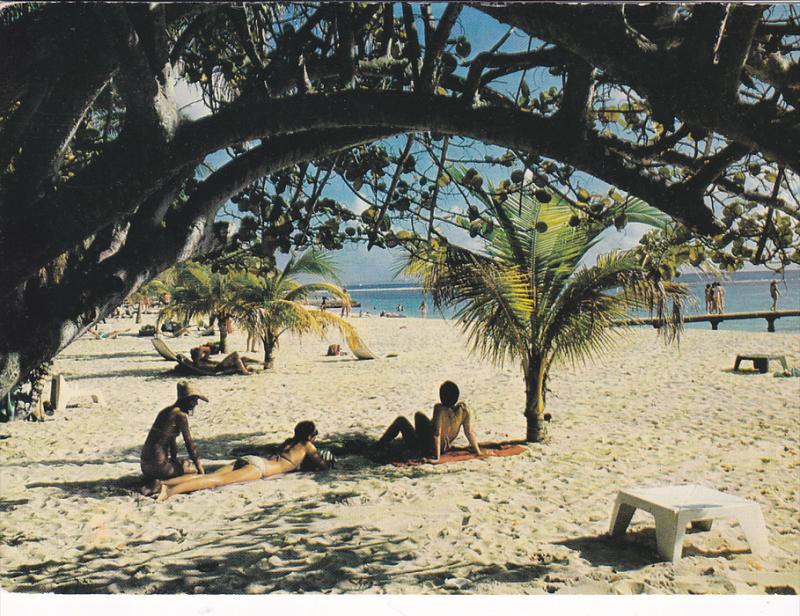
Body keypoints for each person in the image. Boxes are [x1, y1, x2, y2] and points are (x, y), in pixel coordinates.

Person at [152, 421, 331, 501]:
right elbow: (322, 466)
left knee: (212, 475)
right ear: (309, 436)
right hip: (259, 468)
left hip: (252, 459)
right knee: (216, 481)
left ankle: (164, 483)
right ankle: (170, 492)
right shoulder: (308, 446)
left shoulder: (288, 442)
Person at [375, 381, 482, 462]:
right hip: (443, 447)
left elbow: (437, 434)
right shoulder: (464, 410)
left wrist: (437, 458)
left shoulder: (439, 409)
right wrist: (478, 451)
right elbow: (469, 432)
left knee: (401, 420)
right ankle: (411, 439)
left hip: (426, 448)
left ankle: (378, 445)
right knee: (419, 415)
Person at [141, 381, 207, 487]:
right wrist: (199, 468)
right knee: (192, 469)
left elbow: (170, 440)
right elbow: (189, 443)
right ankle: (163, 483)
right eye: (195, 400)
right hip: (159, 467)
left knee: (181, 464)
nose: (196, 404)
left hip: (145, 466)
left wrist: (174, 459)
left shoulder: (165, 412)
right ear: (188, 399)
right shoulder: (181, 415)